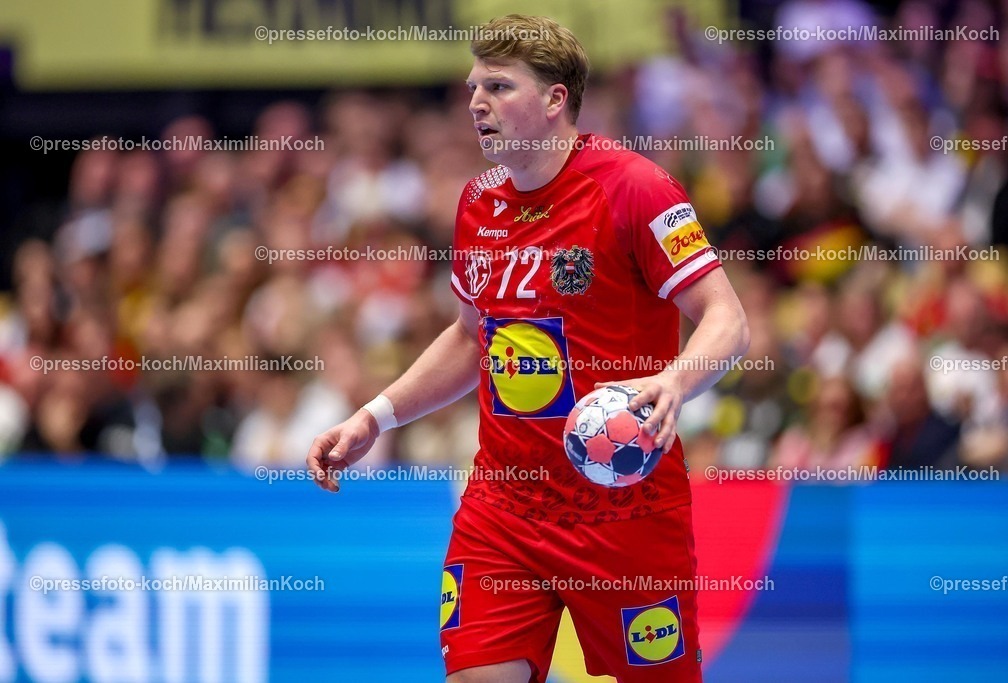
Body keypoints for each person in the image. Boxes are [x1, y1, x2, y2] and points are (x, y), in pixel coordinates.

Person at [306, 14, 748, 683]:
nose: (477, 102)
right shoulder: (478, 203)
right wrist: (376, 414)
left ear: (554, 100)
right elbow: (468, 336)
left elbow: (727, 317)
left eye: (499, 86)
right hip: (505, 507)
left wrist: (677, 380)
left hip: (623, 506)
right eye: (473, 87)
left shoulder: (635, 188)